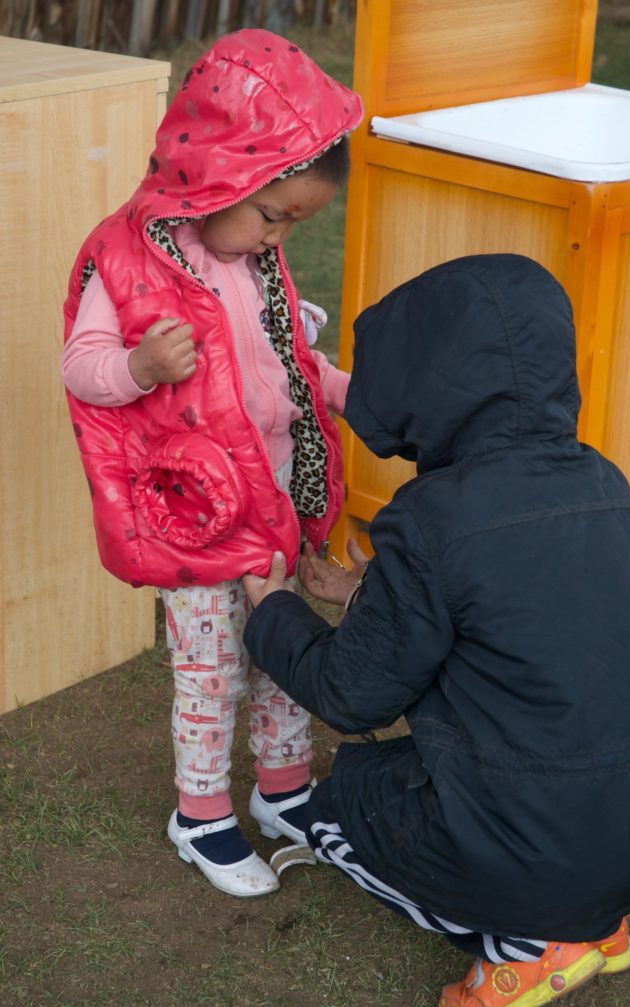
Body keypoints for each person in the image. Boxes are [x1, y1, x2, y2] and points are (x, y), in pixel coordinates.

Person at [242, 254, 630, 1007]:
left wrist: (271, 610)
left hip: (537, 853)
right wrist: (365, 591)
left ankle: (528, 945)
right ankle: (593, 921)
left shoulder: (433, 514)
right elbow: (518, 611)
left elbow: (352, 694)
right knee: (522, 769)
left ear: (425, 380)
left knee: (346, 801)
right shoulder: (600, 481)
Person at [61, 29, 363, 898]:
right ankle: (199, 814)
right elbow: (82, 367)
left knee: (282, 649)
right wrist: (140, 369)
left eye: (294, 223)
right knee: (211, 667)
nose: (278, 237)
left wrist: (346, 391)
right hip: (190, 511)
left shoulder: (252, 258)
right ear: (217, 174)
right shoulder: (122, 258)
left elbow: (287, 365)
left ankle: (284, 790)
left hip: (271, 499)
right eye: (274, 215)